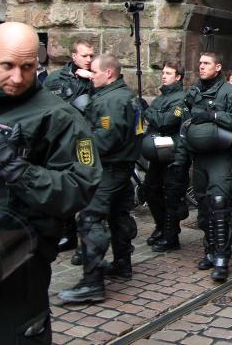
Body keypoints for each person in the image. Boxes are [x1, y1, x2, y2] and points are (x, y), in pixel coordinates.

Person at [0, 22, 101, 344]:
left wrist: (15, 168)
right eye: (7, 66)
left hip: (16, 260)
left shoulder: (59, 117)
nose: (17, 77)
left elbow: (80, 185)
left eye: (27, 67)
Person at [58, 53, 143, 304]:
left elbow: (104, 140)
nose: (91, 76)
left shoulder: (111, 101)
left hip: (108, 169)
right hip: (122, 167)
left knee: (90, 219)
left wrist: (76, 150)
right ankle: (122, 263)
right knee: (119, 216)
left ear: (108, 73)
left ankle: (92, 283)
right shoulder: (127, 96)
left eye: (94, 72)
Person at [175, 52, 232, 281]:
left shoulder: (231, 93)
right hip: (200, 159)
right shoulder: (193, 93)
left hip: (221, 157)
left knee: (219, 204)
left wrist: (215, 115)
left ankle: (221, 257)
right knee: (205, 207)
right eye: (199, 63)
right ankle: (209, 249)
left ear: (218, 67)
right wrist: (180, 160)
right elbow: (184, 127)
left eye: (206, 63)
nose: (201, 67)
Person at [43, 38, 94, 254]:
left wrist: (92, 79)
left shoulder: (96, 77)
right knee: (61, 187)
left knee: (85, 189)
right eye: (85, 56)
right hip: (60, 142)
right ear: (74, 56)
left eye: (92, 56)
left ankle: (86, 242)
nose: (89, 60)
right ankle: (67, 233)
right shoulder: (55, 79)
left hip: (85, 142)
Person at [142, 61, 188, 252]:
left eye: (168, 73)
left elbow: (165, 122)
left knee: (171, 195)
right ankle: (161, 226)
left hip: (173, 152)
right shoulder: (161, 98)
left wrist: (147, 110)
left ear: (178, 77)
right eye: (163, 72)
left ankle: (171, 236)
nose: (164, 76)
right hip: (158, 152)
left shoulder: (182, 98)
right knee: (150, 190)